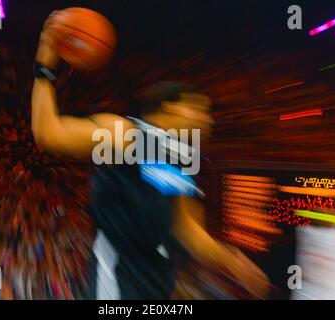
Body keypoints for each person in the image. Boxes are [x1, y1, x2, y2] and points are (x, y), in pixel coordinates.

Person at [31, 13, 270, 299]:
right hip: (117, 287)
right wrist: (45, 61)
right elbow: (49, 133)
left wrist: (231, 260)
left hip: (157, 289)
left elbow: (189, 232)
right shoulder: (126, 133)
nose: (208, 119)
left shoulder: (183, 157)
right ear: (170, 107)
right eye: (200, 108)